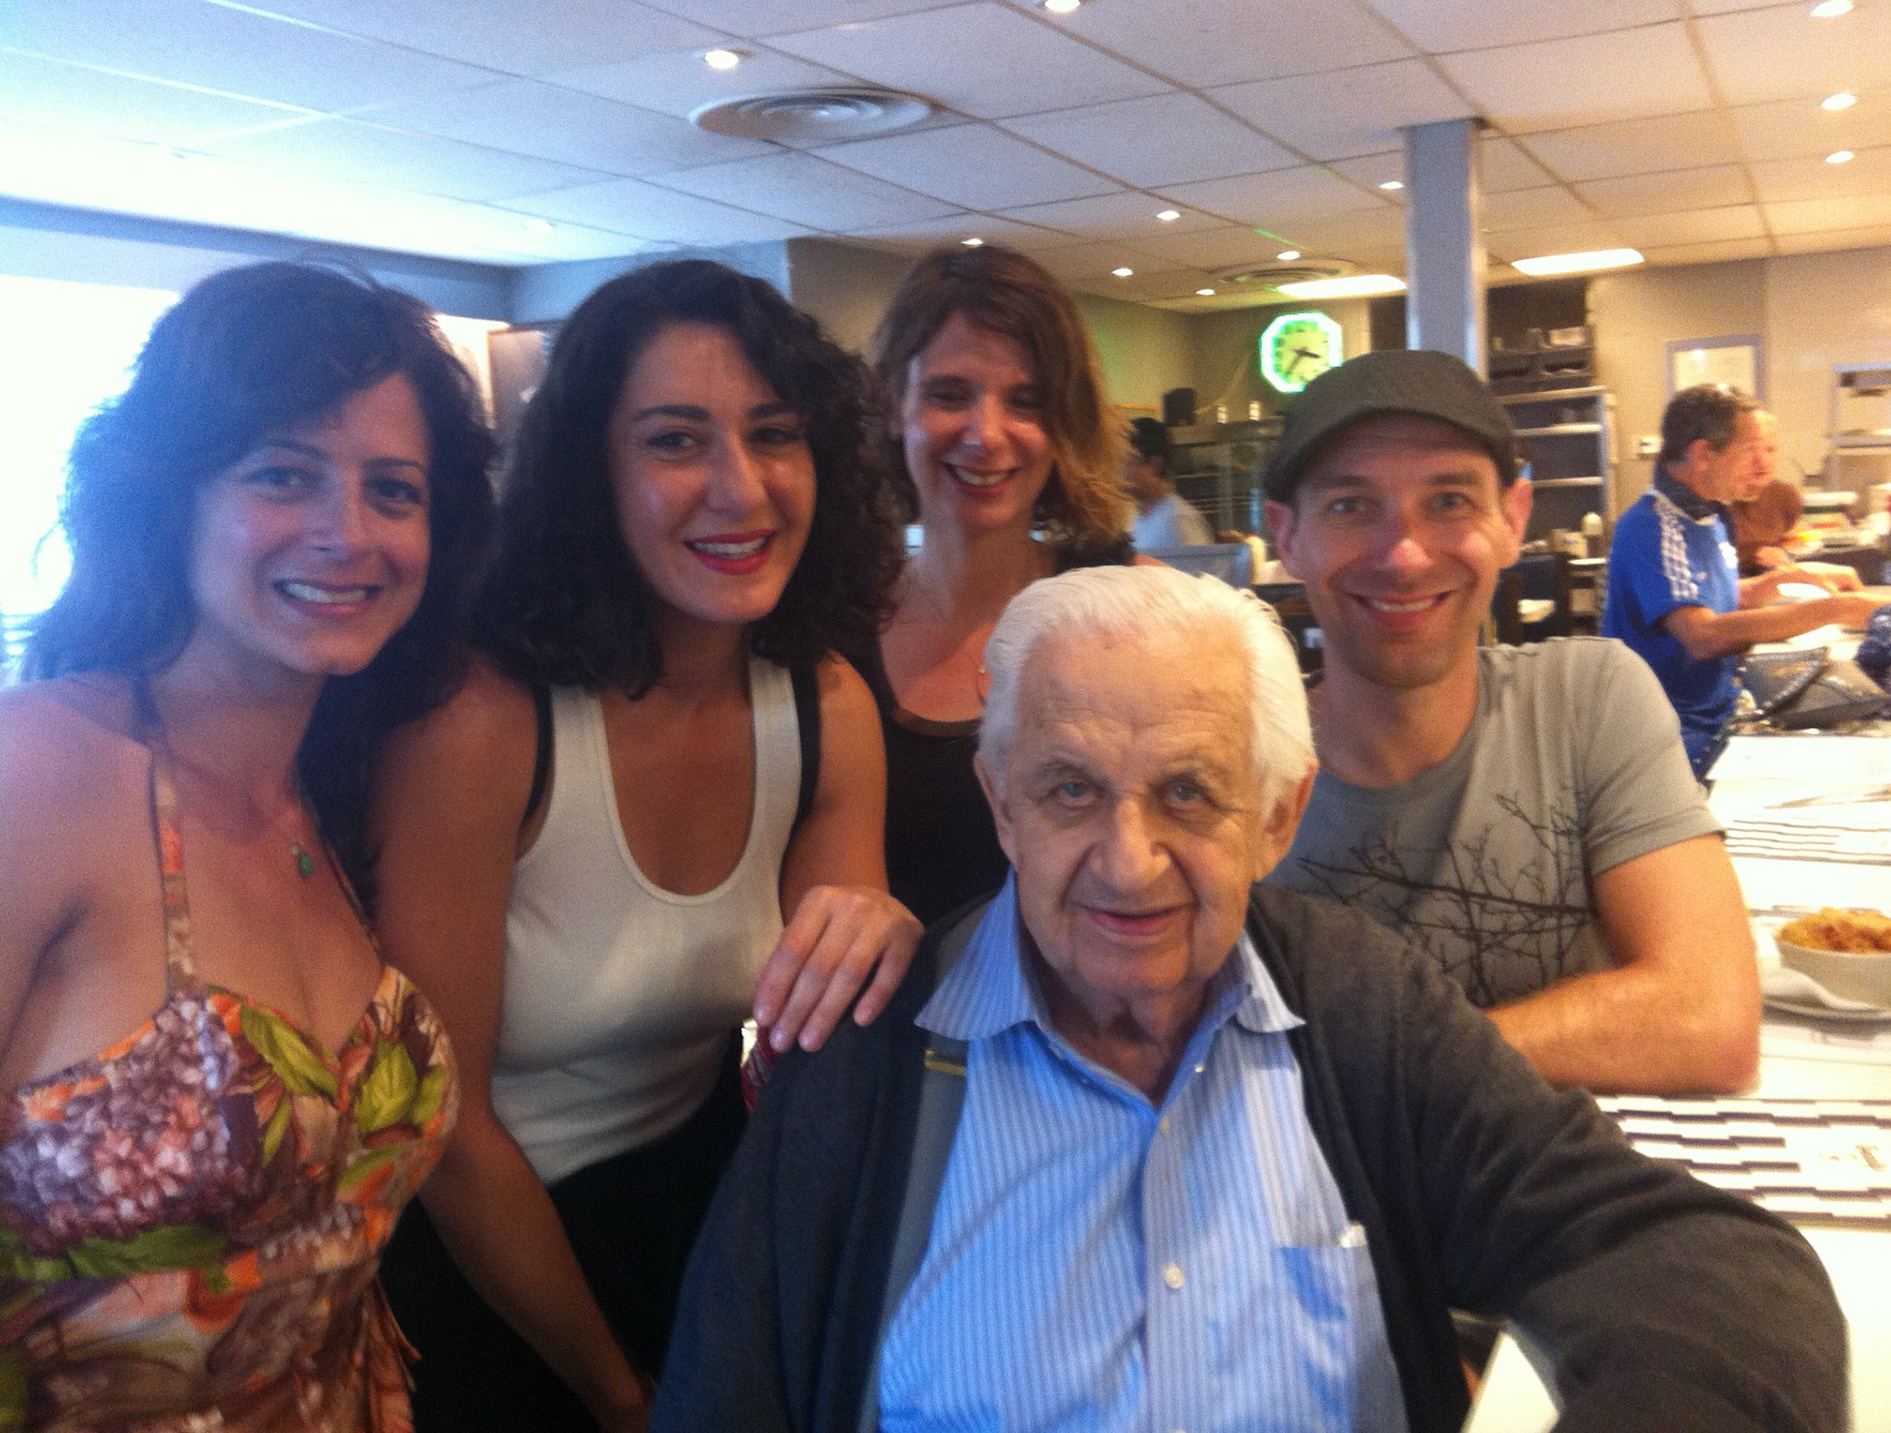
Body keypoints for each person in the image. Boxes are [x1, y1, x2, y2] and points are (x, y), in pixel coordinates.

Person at [650, 565, 1845, 1433]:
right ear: (999, 802)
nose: (1127, 859)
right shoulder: (861, 1067)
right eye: (1069, 789)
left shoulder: (1361, 1013)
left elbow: (1712, 1267)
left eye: (1188, 793)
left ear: (1279, 814)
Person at [370, 259, 919, 1432]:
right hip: (490, 1257)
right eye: (676, 441)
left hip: (704, 1202)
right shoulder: (482, 722)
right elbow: (442, 1124)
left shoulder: (824, 703)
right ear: (590, 478)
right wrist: (624, 1394)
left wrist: (885, 934)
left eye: (775, 435)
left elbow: (824, 1024)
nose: (742, 487)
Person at [0, 261, 495, 1430]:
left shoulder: (339, 794)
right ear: (170, 495)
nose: (349, 532)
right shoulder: (45, 768)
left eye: (394, 489)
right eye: (285, 474)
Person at [1258, 350, 1758, 1094]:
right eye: (1350, 505)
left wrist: (1405, 1068)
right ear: (1286, 535)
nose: (1403, 554)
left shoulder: (1589, 700)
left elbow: (1711, 1020)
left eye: (1450, 501)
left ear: (1512, 519)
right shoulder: (1235, 769)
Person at [852, 242, 1137, 927]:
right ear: (894, 404)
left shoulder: (1131, 609)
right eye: (950, 394)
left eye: (1026, 401)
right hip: (895, 1028)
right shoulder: (830, 637)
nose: (986, 434)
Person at [1602, 384, 1876, 776]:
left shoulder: (1710, 516)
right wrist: (1836, 609)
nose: (1759, 464)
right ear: (1702, 455)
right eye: (1748, 449)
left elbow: (1712, 598)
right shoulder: (1653, 525)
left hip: (1720, 708)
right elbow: (1704, 636)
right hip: (1671, 734)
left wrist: (1779, 581)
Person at [1728, 410, 1805, 574]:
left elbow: (1792, 541)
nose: (1762, 461)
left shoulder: (1784, 496)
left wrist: (1786, 551)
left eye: (1770, 450)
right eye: (1749, 450)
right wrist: (1751, 555)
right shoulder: (1711, 499)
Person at [1123, 415, 1211, 548]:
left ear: (1154, 464)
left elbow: (1200, 568)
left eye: (1125, 460)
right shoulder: (1136, 518)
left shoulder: (1179, 519)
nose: (1118, 469)